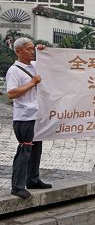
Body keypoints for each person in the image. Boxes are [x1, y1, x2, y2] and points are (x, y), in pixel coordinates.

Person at [6, 38, 52, 199]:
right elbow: (11, 94)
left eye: (33, 49)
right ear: (18, 51)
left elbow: (48, 65)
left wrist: (43, 50)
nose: (32, 52)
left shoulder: (33, 66)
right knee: (24, 150)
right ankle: (17, 187)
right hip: (24, 118)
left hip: (36, 115)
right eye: (29, 49)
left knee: (36, 149)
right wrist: (32, 82)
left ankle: (32, 179)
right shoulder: (14, 70)